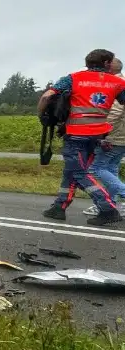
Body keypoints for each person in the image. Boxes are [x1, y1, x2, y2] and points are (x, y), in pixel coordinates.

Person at [39, 49, 125, 226]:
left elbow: (48, 96)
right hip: (98, 135)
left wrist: (42, 115)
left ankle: (107, 208)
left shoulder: (73, 78)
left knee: (79, 172)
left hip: (76, 134)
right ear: (107, 63)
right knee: (71, 170)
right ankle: (59, 207)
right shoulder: (117, 82)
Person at [84, 57, 125, 215]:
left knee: (96, 168)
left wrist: (99, 133)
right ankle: (111, 204)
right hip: (121, 136)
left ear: (109, 68)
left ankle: (116, 199)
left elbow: (114, 112)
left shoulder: (115, 84)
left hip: (113, 135)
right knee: (111, 168)